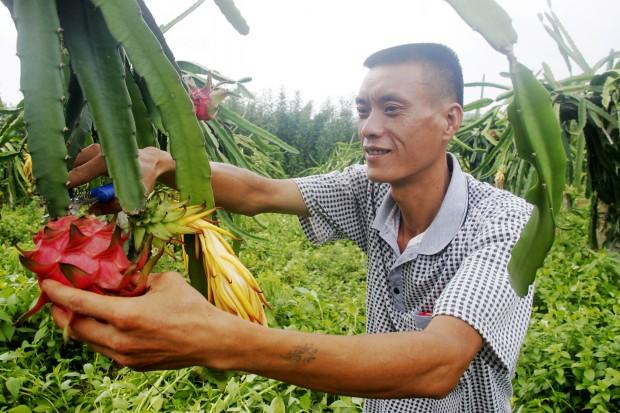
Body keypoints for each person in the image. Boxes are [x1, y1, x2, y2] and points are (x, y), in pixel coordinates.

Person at [44, 43, 533, 412]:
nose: (368, 127)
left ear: (450, 120)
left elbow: (438, 362)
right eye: (363, 110)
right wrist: (168, 162)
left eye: (392, 108)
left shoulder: (508, 223)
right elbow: (260, 192)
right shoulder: (368, 190)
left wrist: (222, 339)